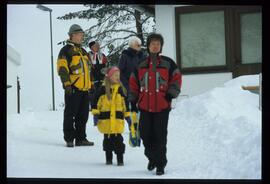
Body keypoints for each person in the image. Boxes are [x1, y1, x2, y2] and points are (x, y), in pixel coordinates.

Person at [128, 33, 182, 175]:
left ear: (161, 46)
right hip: (145, 106)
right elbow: (133, 83)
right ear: (148, 46)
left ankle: (160, 164)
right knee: (145, 135)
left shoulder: (168, 63)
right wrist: (133, 100)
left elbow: (176, 78)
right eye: (153, 43)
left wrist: (171, 94)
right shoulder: (140, 64)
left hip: (162, 107)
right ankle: (152, 157)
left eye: (158, 43)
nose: (155, 45)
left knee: (160, 136)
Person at [57, 24, 94, 147]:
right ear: (72, 35)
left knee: (83, 116)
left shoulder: (83, 51)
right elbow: (62, 68)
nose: (82, 37)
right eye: (79, 35)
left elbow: (89, 70)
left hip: (85, 89)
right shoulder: (66, 50)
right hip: (73, 88)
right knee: (70, 114)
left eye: (82, 35)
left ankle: (81, 139)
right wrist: (67, 84)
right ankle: (69, 139)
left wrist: (91, 84)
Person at [91, 66, 132, 166]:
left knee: (119, 142)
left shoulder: (121, 90)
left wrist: (127, 117)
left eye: (118, 75)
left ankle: (120, 159)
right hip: (106, 121)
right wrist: (96, 114)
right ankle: (108, 159)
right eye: (115, 75)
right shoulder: (102, 89)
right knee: (107, 141)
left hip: (117, 121)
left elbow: (125, 104)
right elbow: (95, 102)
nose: (117, 77)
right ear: (109, 77)